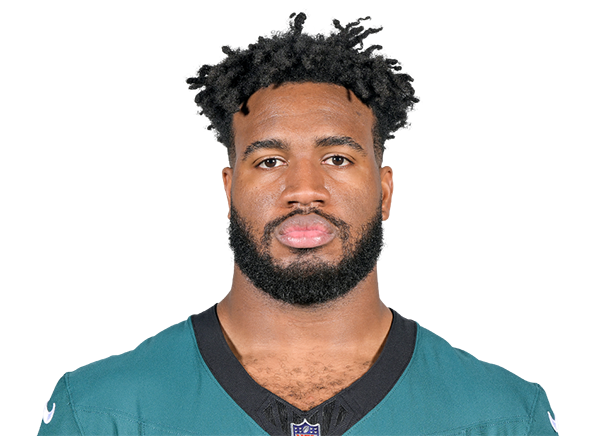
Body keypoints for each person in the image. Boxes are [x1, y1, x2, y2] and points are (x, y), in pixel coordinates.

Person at [38, 14, 558, 436]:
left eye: (337, 158)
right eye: (269, 161)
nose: (304, 189)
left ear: (384, 188)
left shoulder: (506, 417)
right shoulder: (101, 412)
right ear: (229, 188)